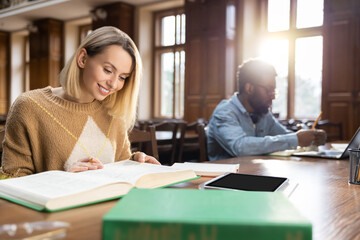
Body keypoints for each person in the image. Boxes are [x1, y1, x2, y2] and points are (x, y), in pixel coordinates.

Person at [0, 26, 160, 178]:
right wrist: (62, 181)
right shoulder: (29, 106)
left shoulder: (114, 111)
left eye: (122, 77)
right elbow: (10, 181)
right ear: (83, 59)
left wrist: (135, 163)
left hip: (109, 206)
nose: (113, 84)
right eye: (108, 70)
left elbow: (118, 166)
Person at [207, 58, 327, 161]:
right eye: (268, 90)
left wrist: (310, 137)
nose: (273, 96)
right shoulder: (224, 113)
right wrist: (296, 139)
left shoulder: (262, 113)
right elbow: (240, 147)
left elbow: (286, 136)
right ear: (249, 88)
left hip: (255, 174)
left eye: (274, 90)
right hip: (223, 181)